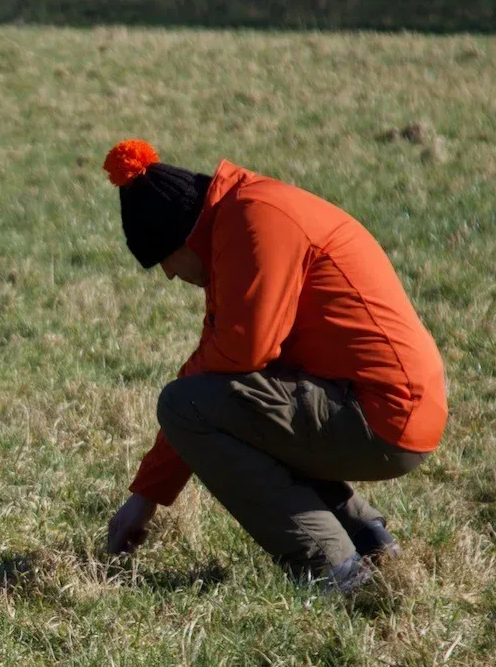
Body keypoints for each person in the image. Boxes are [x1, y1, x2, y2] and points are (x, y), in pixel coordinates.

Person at [102, 139, 446, 594]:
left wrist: (146, 496)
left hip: (386, 414)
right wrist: (146, 496)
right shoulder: (240, 218)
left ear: (182, 238)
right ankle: (369, 543)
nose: (168, 275)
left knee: (189, 404)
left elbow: (238, 357)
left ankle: (335, 573)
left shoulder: (253, 221)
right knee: (223, 404)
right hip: (391, 405)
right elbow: (228, 377)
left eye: (163, 261)